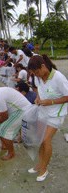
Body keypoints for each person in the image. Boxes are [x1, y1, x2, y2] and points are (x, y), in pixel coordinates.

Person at [27, 54, 68, 182]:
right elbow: (39, 89)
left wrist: (50, 102)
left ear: (43, 66)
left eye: (37, 72)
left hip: (56, 114)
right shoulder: (39, 77)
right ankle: (40, 164)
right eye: (34, 73)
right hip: (42, 112)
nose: (36, 75)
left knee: (46, 140)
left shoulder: (58, 78)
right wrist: (38, 98)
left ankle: (44, 168)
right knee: (39, 140)